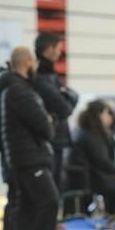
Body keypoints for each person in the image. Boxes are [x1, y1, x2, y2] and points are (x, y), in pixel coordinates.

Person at [0, 47, 59, 230]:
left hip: (24, 157)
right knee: (50, 200)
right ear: (27, 63)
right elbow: (43, 126)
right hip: (28, 158)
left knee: (26, 206)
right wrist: (49, 121)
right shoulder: (18, 90)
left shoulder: (16, 89)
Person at [70, 100, 115, 220]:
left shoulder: (84, 130)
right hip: (93, 178)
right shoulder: (91, 135)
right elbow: (102, 160)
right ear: (99, 115)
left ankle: (112, 217)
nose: (109, 117)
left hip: (87, 176)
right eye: (106, 113)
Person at [34, 32, 79, 188]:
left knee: (56, 185)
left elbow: (73, 97)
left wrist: (66, 97)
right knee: (50, 188)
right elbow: (64, 108)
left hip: (57, 138)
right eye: (57, 48)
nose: (59, 52)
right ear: (48, 49)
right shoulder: (41, 77)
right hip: (50, 140)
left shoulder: (51, 75)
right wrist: (65, 97)